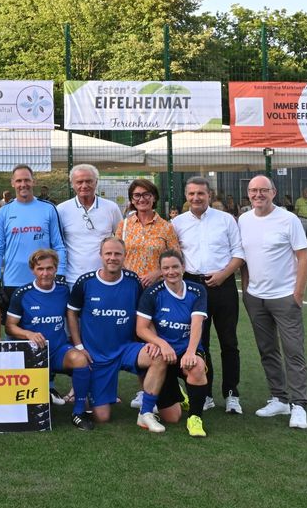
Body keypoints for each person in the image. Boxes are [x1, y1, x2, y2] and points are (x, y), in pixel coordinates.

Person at [239, 175, 307, 429]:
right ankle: (279, 398)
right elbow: (244, 257)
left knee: (293, 351)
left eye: (263, 190)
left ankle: (299, 404)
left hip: (284, 297)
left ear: (274, 192)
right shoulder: (243, 219)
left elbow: (303, 257)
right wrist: (247, 290)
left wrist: (297, 295)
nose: (258, 195)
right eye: (253, 190)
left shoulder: (288, 220)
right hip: (255, 298)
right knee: (267, 350)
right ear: (248, 194)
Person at [66, 237, 159, 425]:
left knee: (158, 356)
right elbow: (71, 313)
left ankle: (146, 411)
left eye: (117, 254)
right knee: (102, 417)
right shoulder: (85, 282)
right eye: (108, 253)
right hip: (97, 356)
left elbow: (145, 316)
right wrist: (78, 345)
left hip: (126, 349)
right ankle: (87, 391)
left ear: (124, 256)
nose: (112, 258)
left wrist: (155, 342)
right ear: (100, 255)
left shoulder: (134, 281)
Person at [171, 176, 245, 414]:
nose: (196, 198)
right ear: (186, 196)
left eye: (200, 194)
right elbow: (175, 257)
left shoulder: (226, 220)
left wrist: (224, 275)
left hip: (222, 286)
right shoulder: (177, 223)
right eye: (191, 194)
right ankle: (206, 393)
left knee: (229, 342)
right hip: (192, 286)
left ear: (209, 195)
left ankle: (232, 394)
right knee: (200, 343)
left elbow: (239, 253)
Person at [5, 248, 94, 430]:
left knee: (80, 360)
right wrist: (28, 334)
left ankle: (78, 412)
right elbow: (9, 326)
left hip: (57, 351)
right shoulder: (22, 293)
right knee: (33, 412)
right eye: (40, 269)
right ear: (33, 270)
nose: (45, 273)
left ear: (55, 269)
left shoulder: (63, 291)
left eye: (49, 268)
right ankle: (43, 394)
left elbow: (72, 316)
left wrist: (78, 345)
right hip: (32, 355)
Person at [135, 249, 210, 438]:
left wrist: (191, 351)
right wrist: (162, 344)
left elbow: (197, 324)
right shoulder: (153, 293)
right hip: (164, 356)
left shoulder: (197, 290)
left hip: (186, 351)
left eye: (175, 267)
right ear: (160, 271)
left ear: (183, 267)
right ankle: (179, 394)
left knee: (197, 366)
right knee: (171, 417)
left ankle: (195, 417)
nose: (171, 272)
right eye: (165, 268)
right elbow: (141, 328)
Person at [0, 165, 67, 302]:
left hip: (44, 279)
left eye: (27, 180)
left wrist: (60, 273)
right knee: (13, 323)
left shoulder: (48, 209)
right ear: (13, 183)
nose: (23, 184)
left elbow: (59, 245)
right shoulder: (4, 211)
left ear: (33, 181)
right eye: (19, 181)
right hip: (13, 280)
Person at [57, 164, 123, 283]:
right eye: (79, 182)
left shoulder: (111, 208)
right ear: (72, 184)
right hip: (72, 279)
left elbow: (121, 239)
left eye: (89, 181)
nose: (84, 186)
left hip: (105, 278)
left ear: (96, 182)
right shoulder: (61, 210)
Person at [115, 179, 179, 288]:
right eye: (137, 195)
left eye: (147, 195)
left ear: (154, 197)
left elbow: (177, 258)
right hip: (129, 285)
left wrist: (158, 273)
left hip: (157, 287)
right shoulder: (123, 225)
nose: (142, 199)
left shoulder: (166, 227)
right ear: (132, 199)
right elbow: (116, 254)